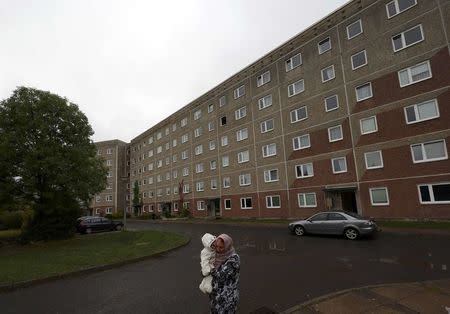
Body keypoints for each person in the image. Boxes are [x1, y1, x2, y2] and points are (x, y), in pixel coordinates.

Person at [209, 234, 240, 314]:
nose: (218, 249)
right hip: (215, 296)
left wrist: (208, 268)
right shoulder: (216, 256)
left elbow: (220, 276)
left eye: (221, 247)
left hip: (227, 298)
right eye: (216, 246)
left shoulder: (234, 260)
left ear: (227, 246)